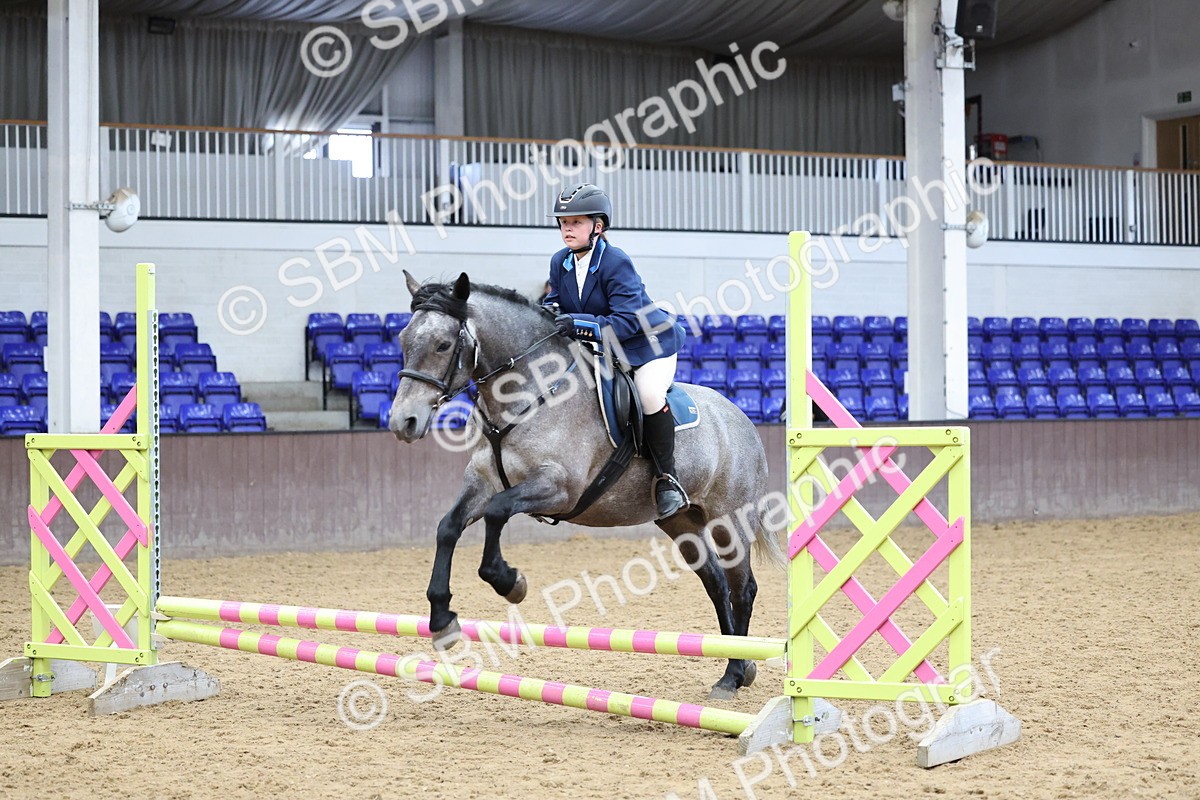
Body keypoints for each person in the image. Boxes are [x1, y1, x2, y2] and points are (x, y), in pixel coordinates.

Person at [542, 183, 688, 519]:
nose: (567, 228)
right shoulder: (560, 262)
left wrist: (574, 322)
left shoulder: (616, 261)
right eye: (563, 222)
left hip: (648, 344)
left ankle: (668, 479)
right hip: (605, 348)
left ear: (598, 226)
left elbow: (624, 322)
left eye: (576, 222)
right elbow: (553, 304)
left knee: (649, 394)